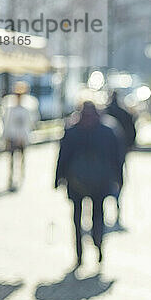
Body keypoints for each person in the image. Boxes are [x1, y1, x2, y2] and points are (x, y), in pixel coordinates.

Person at [55, 101, 122, 267]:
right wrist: (119, 179)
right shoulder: (107, 131)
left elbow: (63, 156)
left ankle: (79, 254)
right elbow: (117, 158)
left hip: (75, 181)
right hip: (101, 181)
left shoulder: (72, 131)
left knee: (77, 218)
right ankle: (98, 244)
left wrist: (58, 178)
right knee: (98, 215)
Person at [105, 91, 136, 228]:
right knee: (118, 182)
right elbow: (132, 132)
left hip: (106, 155)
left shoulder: (105, 114)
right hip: (119, 154)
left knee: (106, 183)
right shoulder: (124, 113)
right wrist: (128, 146)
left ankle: (109, 212)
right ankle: (117, 212)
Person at [1, 81, 37, 191]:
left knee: (22, 157)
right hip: (12, 136)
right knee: (11, 159)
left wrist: (24, 137)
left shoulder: (28, 107)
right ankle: (11, 177)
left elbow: (29, 124)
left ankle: (21, 176)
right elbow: (7, 123)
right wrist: (6, 137)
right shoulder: (10, 107)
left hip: (22, 137)